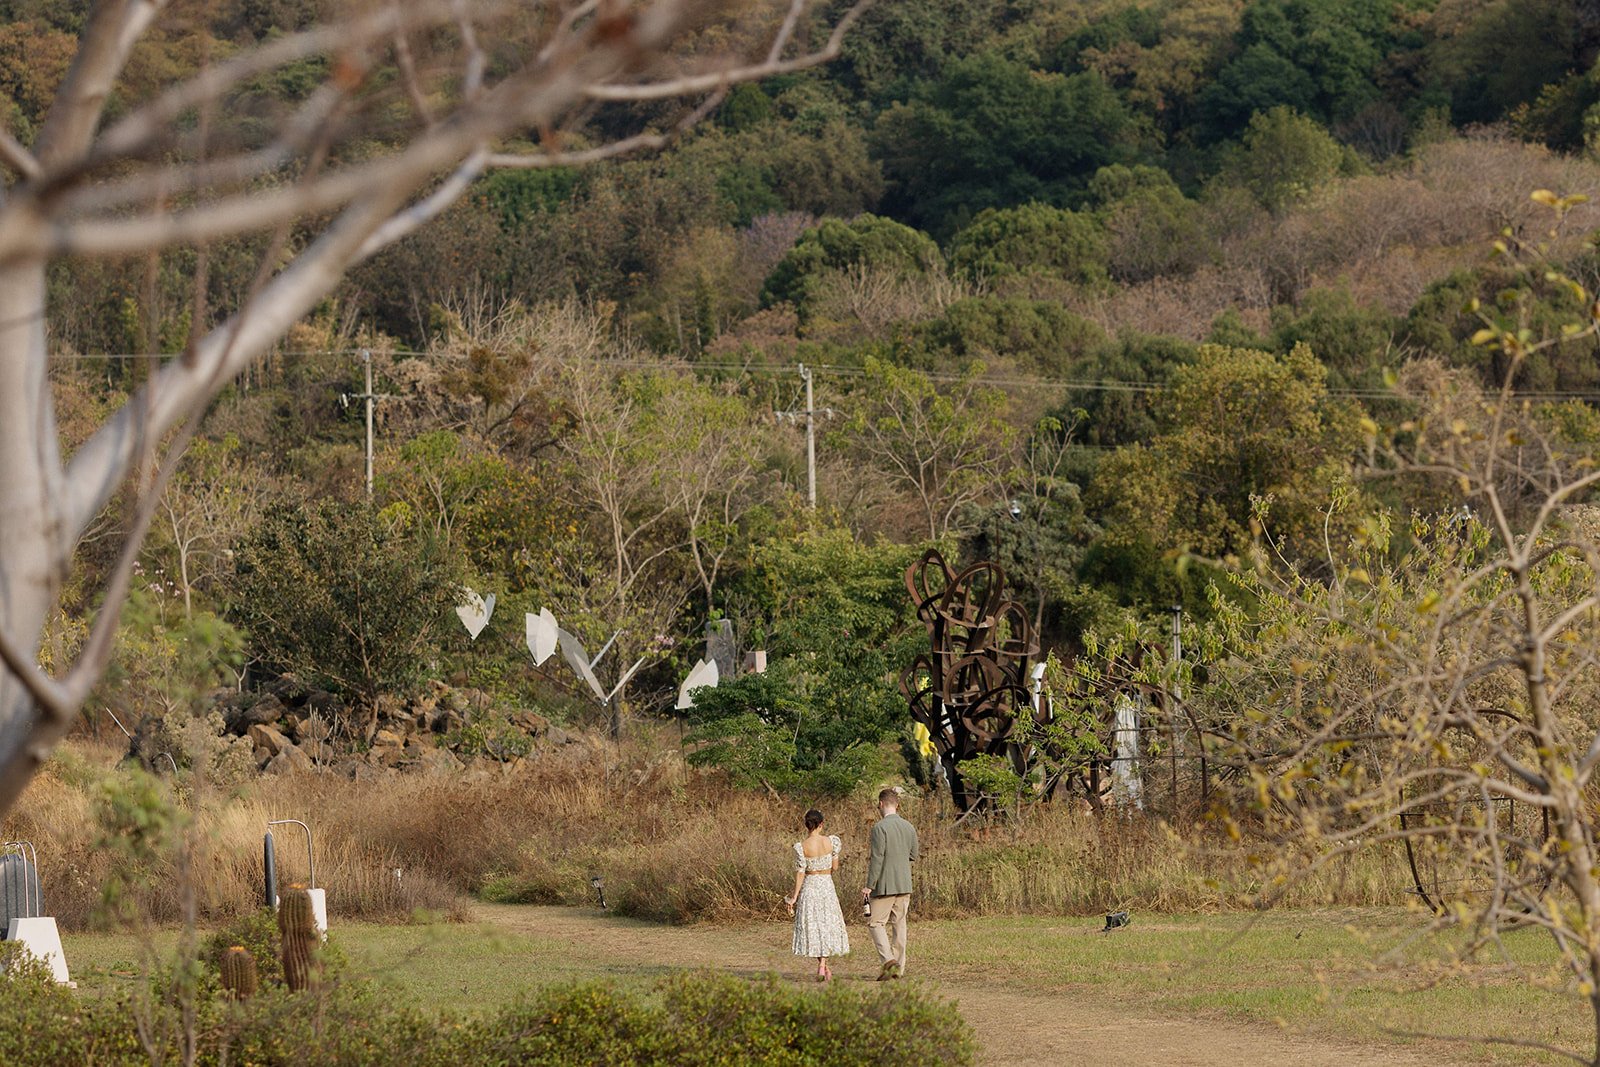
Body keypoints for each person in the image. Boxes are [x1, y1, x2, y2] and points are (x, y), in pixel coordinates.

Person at [784, 808, 849, 982]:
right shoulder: (832, 842)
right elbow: (835, 867)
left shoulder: (801, 847)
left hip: (810, 886)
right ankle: (824, 965)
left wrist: (794, 897)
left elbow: (800, 874)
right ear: (821, 824)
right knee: (826, 925)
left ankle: (822, 965)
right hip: (827, 885)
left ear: (807, 826)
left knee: (813, 927)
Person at [862, 786, 919, 980]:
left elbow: (877, 858)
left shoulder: (879, 828)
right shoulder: (909, 826)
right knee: (899, 926)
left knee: (875, 923)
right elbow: (914, 855)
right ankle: (898, 969)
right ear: (897, 805)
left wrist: (869, 885)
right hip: (904, 883)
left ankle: (888, 961)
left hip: (884, 884)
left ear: (880, 804)